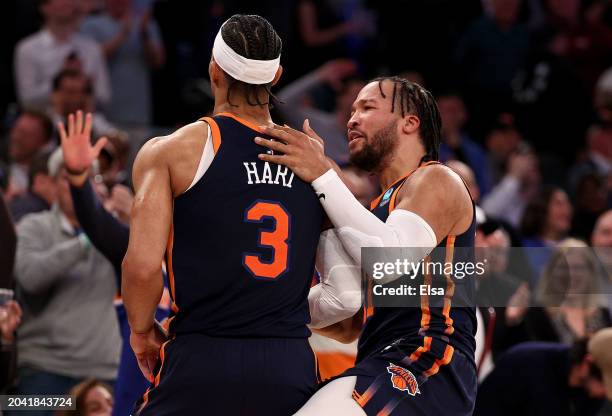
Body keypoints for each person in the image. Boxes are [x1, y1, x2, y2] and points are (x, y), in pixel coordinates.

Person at [121, 15, 354, 415]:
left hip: (202, 356)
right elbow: (346, 296)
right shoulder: (314, 161)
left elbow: (143, 268)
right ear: (277, 75)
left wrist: (142, 332)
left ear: (214, 69)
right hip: (288, 364)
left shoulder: (173, 151)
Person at [257, 76, 476, 414]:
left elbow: (390, 260)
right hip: (381, 359)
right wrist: (258, 308)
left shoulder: (437, 179)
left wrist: (323, 174)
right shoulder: (373, 215)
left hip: (431, 360)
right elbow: (346, 318)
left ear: (409, 122)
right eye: (353, 109)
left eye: (368, 107)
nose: (352, 118)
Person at [13, 148, 120, 415]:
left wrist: (126, 219)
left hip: (102, 371)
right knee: (15, 408)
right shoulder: (32, 226)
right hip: (45, 371)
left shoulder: (114, 232)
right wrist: (86, 239)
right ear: (51, 184)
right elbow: (30, 278)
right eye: (68, 176)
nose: (78, 184)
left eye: (90, 177)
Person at [80, 0, 165, 130]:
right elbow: (92, 59)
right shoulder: (91, 24)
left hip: (138, 109)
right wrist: (123, 34)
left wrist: (144, 35)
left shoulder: (145, 24)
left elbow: (158, 62)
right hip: (102, 111)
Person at [14, 0, 110, 110]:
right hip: (46, 122)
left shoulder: (91, 48)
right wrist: (61, 81)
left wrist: (84, 85)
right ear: (45, 7)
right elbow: (27, 100)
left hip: (86, 121)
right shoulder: (28, 49)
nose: (68, 2)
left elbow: (103, 97)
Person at [474, 340, 606, 415]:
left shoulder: (591, 395)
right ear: (586, 364)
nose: (607, 394)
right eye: (606, 385)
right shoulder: (524, 361)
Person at [4, 111, 55, 202]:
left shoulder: (51, 176)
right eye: (16, 130)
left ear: (43, 143)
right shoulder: (3, 170)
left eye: (25, 134)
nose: (16, 137)